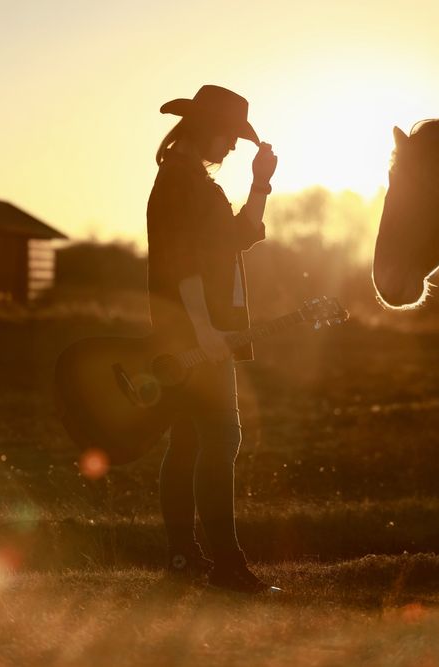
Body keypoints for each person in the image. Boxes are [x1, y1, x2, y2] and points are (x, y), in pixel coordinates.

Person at [147, 84, 278, 593]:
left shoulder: (189, 179)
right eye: (230, 138)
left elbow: (238, 237)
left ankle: (184, 559)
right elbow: (183, 261)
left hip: (191, 329)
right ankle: (227, 566)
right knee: (222, 437)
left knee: (187, 442)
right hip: (197, 331)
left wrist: (261, 183)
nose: (232, 148)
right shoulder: (183, 180)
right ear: (210, 129)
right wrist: (205, 331)